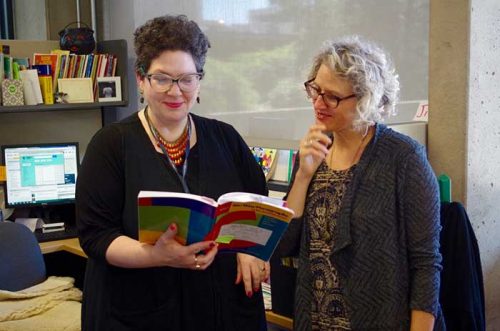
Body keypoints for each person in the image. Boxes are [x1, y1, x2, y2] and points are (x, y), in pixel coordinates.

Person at [76, 15, 270, 331]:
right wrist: (158, 256)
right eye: (162, 78)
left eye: (187, 78)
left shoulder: (225, 138)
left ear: (199, 80)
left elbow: (256, 207)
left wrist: (251, 251)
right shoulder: (111, 144)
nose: (175, 91)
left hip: (218, 307)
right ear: (141, 79)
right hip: (137, 310)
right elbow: (95, 236)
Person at [274, 36, 445, 330]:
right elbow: (284, 244)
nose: (318, 103)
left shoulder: (403, 158)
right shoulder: (315, 149)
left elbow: (426, 264)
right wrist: (303, 175)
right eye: (315, 89)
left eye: (332, 96)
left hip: (381, 320)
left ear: (366, 99)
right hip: (314, 319)